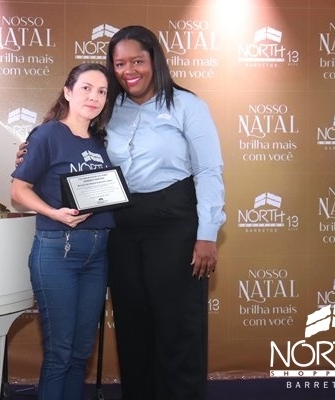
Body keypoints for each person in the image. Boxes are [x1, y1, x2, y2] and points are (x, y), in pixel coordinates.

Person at [16, 25, 225, 400]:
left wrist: (207, 233)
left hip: (174, 222)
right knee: (132, 326)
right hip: (121, 225)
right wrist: (29, 151)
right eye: (119, 63)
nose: (129, 70)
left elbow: (209, 171)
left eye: (137, 61)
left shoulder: (188, 106)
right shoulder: (109, 108)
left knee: (178, 327)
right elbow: (70, 142)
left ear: (154, 60)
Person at [10, 63, 115, 400]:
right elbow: (18, 190)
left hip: (97, 256)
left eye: (101, 91)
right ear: (68, 92)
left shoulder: (101, 142)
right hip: (58, 252)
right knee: (60, 353)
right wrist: (54, 213)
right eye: (86, 88)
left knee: (81, 352)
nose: (94, 97)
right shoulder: (47, 135)